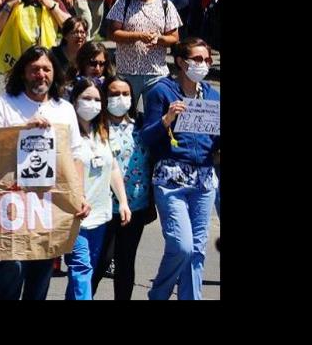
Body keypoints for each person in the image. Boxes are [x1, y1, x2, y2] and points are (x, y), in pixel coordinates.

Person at [0, 46, 90, 300]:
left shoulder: (64, 108)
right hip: (13, 203)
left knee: (42, 270)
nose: (40, 74)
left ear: (55, 74)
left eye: (46, 69)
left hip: (49, 205)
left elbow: (76, 155)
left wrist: (79, 195)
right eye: (34, 70)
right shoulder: (6, 104)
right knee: (14, 264)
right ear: (23, 73)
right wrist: (23, 129)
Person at [142, 38, 220, 300]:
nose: (203, 65)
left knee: (197, 250)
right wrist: (166, 120)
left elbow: (215, 140)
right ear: (181, 62)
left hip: (204, 180)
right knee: (182, 246)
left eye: (207, 60)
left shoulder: (212, 96)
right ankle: (159, 294)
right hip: (171, 179)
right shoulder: (161, 92)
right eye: (197, 59)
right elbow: (147, 138)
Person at [64, 77, 131, 300]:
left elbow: (112, 167)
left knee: (87, 269)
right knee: (81, 268)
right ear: (74, 101)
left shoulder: (101, 131)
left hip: (100, 215)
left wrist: (122, 201)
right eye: (86, 98)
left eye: (96, 99)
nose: (92, 104)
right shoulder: (66, 133)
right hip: (75, 216)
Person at [91, 75, 156, 300]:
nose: (120, 98)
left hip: (136, 205)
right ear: (104, 97)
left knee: (126, 262)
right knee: (101, 261)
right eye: (114, 94)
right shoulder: (95, 126)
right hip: (103, 206)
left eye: (125, 94)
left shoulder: (141, 125)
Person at [106, 0, 182, 113]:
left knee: (155, 118)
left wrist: (160, 39)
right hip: (126, 72)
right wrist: (138, 36)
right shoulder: (124, 1)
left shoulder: (165, 4)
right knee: (123, 115)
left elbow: (174, 37)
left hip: (156, 74)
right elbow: (112, 33)